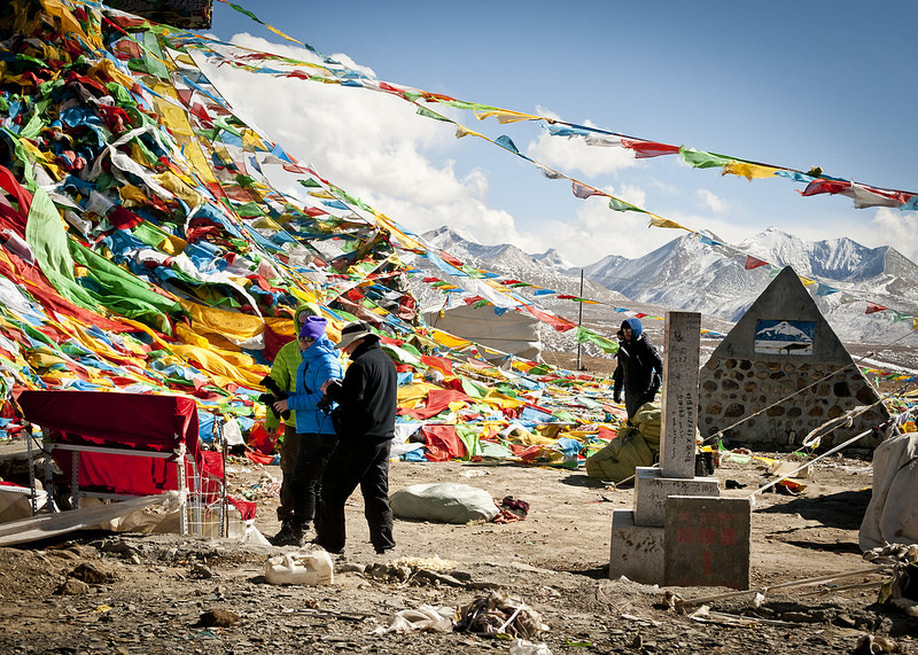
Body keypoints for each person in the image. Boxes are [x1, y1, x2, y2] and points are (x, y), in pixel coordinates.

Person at [314, 321, 398, 555]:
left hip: (359, 439)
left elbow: (352, 400)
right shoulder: (387, 363)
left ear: (358, 341)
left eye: (348, 345)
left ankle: (331, 543)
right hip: (383, 439)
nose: (345, 350)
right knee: (376, 494)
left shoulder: (360, 365)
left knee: (332, 491)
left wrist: (330, 389)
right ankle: (384, 543)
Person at [270, 315, 343, 547]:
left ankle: (300, 528)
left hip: (322, 429)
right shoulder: (307, 361)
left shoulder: (326, 362)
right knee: (310, 482)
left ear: (320, 338)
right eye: (302, 338)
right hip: (308, 426)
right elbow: (307, 394)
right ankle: (319, 531)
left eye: (309, 339)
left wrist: (290, 404)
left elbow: (323, 396)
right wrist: (285, 397)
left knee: (303, 482)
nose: (304, 343)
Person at [263, 305, 318, 546]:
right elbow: (275, 386)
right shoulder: (288, 352)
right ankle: (289, 523)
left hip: (320, 424)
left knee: (317, 479)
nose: (305, 324)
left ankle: (315, 526)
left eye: (310, 320)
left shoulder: (326, 353)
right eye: (301, 320)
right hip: (295, 425)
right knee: (291, 475)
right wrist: (272, 421)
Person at [612, 318, 663, 422]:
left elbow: (660, 368)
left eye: (629, 331)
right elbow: (620, 370)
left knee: (641, 420)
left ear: (635, 330)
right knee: (631, 419)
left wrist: (654, 389)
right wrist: (617, 391)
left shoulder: (646, 347)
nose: (626, 333)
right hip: (629, 390)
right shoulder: (624, 347)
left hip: (644, 391)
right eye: (624, 330)